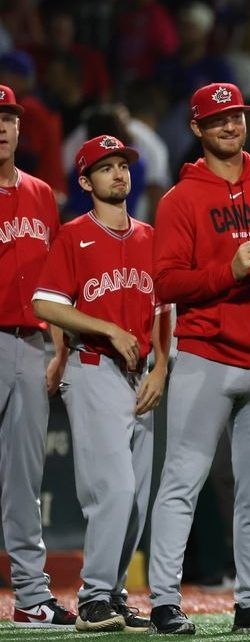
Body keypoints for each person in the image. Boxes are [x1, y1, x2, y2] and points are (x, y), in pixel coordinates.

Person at [146, 82, 250, 635]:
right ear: (196, 129)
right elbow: (166, 281)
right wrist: (231, 271)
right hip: (206, 355)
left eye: (236, 116)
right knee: (183, 480)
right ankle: (165, 602)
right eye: (217, 119)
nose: (230, 126)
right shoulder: (179, 199)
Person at [31, 134, 169, 633]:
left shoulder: (153, 236)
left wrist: (161, 369)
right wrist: (106, 327)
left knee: (135, 498)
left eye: (123, 165)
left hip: (142, 376)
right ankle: (93, 597)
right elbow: (45, 304)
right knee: (114, 489)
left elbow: (163, 312)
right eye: (106, 168)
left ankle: (110, 593)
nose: (119, 174)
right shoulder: (73, 235)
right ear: (85, 181)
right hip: (93, 368)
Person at [0, 83, 77, 629]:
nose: (1, 126)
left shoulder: (42, 193)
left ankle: (31, 595)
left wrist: (58, 350)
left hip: (29, 343)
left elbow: (53, 284)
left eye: (8, 117)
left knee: (24, 478)